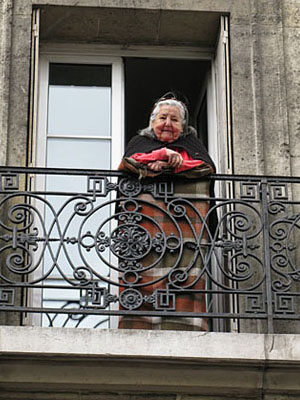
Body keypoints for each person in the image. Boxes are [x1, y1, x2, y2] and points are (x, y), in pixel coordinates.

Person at [117, 93, 216, 330]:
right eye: (163, 118)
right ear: (152, 122)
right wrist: (158, 156)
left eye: (174, 120)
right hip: (146, 227)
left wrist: (177, 161)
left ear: (183, 128)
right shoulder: (139, 142)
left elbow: (205, 168)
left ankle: (183, 322)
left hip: (183, 229)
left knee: (184, 271)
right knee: (141, 272)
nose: (167, 124)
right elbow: (129, 162)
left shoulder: (193, 146)